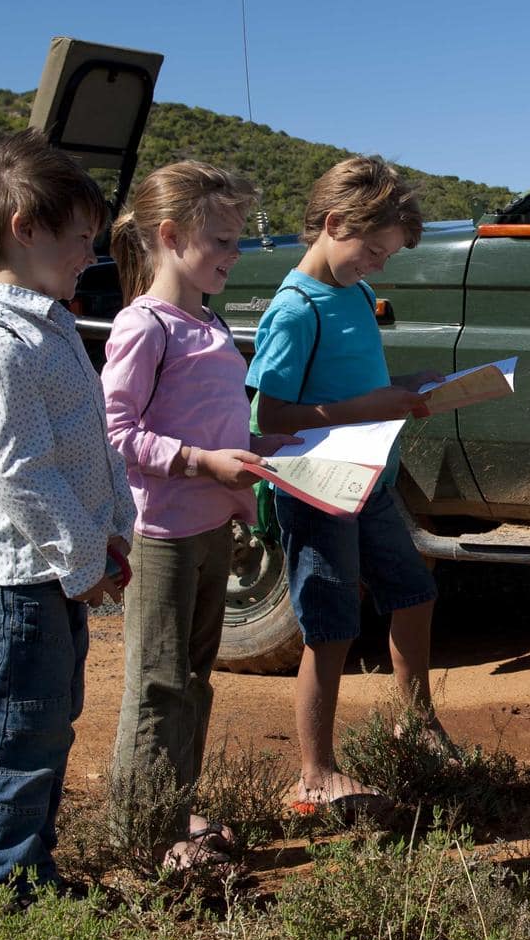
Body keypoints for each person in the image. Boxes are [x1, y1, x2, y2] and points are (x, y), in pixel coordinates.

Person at [0, 130, 135, 899]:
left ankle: (31, 869)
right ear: (25, 228)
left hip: (52, 572)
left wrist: (113, 526)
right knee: (21, 729)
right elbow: (20, 473)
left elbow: (91, 442)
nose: (91, 253)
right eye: (81, 237)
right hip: (18, 580)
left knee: (50, 720)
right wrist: (83, 558)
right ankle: (2, 888)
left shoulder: (49, 327)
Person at [100, 161, 297, 870]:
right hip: (162, 534)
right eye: (221, 240)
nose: (232, 255)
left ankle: (173, 811)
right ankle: (144, 838)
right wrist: (200, 462)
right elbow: (115, 431)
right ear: (170, 235)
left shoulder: (207, 322)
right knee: (159, 681)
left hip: (214, 528)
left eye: (236, 241)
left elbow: (216, 423)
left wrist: (261, 449)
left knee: (194, 676)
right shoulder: (144, 325)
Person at [246, 156, 447, 816]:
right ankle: (315, 772)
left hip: (368, 482)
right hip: (317, 490)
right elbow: (270, 417)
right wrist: (368, 407)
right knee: (329, 627)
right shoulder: (295, 310)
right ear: (334, 225)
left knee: (414, 592)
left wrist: (407, 388)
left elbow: (357, 383)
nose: (378, 266)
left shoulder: (354, 294)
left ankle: (415, 723)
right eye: (374, 251)